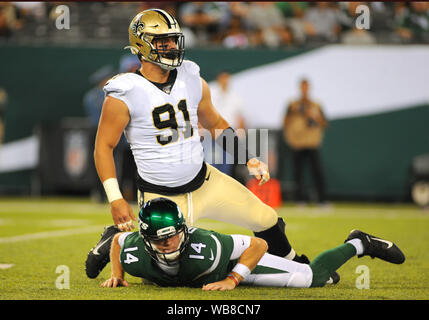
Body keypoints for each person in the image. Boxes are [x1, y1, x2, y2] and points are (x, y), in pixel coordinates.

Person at [87, 8, 312, 279]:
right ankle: (113, 240)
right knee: (170, 271)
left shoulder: (191, 77)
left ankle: (297, 266)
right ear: (141, 43)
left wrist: (247, 158)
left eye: (172, 40)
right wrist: (115, 198)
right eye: (162, 41)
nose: (171, 46)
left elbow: (216, 123)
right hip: (162, 196)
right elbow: (103, 147)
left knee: (267, 219)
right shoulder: (124, 91)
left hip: (205, 181)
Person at [97, 197, 405, 290]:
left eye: (172, 236)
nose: (166, 244)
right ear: (146, 239)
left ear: (184, 230)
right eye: (158, 239)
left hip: (237, 265)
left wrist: (233, 278)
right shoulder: (135, 248)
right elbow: (118, 242)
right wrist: (118, 275)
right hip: (216, 275)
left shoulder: (209, 245)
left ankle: (359, 243)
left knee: (310, 277)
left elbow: (258, 245)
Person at [283, 78, 328, 205]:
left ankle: (322, 200)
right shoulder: (292, 104)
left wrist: (314, 116)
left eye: (306, 87)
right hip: (297, 143)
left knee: (317, 172)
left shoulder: (316, 105)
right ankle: (299, 200)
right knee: (298, 173)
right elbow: (285, 122)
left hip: (312, 143)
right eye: (302, 87)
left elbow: (324, 123)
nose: (304, 89)